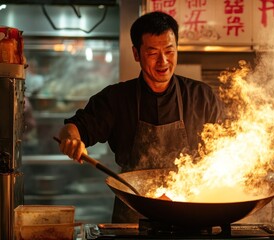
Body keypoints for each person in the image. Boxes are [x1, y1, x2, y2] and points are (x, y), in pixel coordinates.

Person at [57, 11, 223, 223]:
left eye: (169, 51)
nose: (163, 61)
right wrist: (71, 139)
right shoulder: (116, 98)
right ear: (137, 53)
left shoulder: (202, 96)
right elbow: (73, 128)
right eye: (153, 53)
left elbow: (227, 146)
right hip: (133, 213)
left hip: (191, 213)